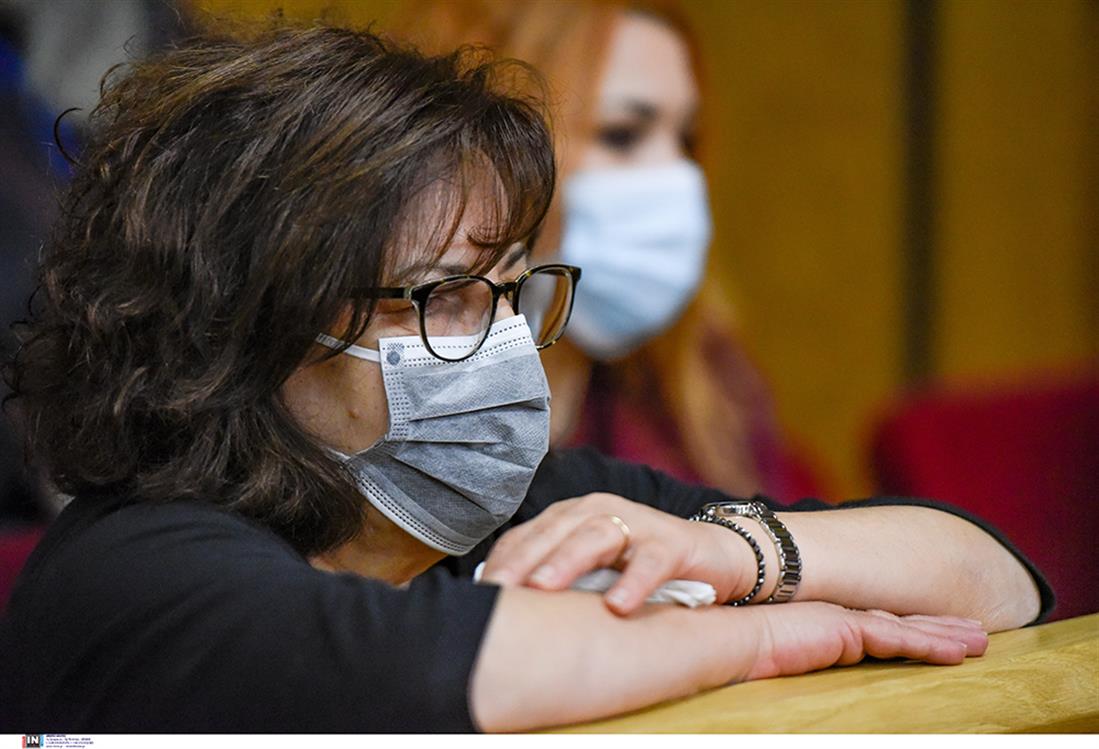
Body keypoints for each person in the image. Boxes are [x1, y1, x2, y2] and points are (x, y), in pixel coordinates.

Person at [0, 24, 1049, 733]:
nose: (505, 339)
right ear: (249, 330)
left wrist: (735, 549)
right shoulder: (131, 566)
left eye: (508, 287)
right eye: (442, 295)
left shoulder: (525, 508)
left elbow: (997, 577)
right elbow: (448, 666)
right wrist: (777, 626)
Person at [390, 0, 821, 501]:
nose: (676, 178)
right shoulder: (391, 385)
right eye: (621, 134)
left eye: (687, 140)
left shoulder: (713, 397)